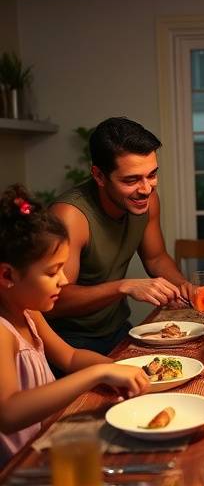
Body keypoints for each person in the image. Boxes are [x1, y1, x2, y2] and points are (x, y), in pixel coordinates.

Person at [0, 184, 149, 466]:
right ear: (7, 274)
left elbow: (69, 356)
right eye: (52, 271)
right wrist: (98, 374)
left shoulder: (29, 311)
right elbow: (8, 413)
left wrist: (116, 370)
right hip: (16, 467)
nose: (64, 281)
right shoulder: (1, 330)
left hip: (41, 446)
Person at [48, 117, 193, 355]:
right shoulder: (70, 216)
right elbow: (56, 300)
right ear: (99, 176)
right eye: (132, 179)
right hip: (69, 342)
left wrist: (183, 286)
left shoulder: (146, 200)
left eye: (152, 175)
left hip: (118, 330)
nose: (146, 188)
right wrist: (124, 287)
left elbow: (156, 258)